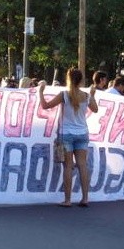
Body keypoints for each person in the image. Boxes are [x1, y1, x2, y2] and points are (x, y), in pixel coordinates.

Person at [38, 67, 98, 207]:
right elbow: (95, 110)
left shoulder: (64, 95)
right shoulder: (86, 96)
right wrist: (93, 95)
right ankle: (85, 198)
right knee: (83, 165)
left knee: (68, 166)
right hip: (82, 133)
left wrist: (41, 92)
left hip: (66, 134)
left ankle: (68, 200)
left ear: (68, 79)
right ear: (81, 80)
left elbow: (45, 105)